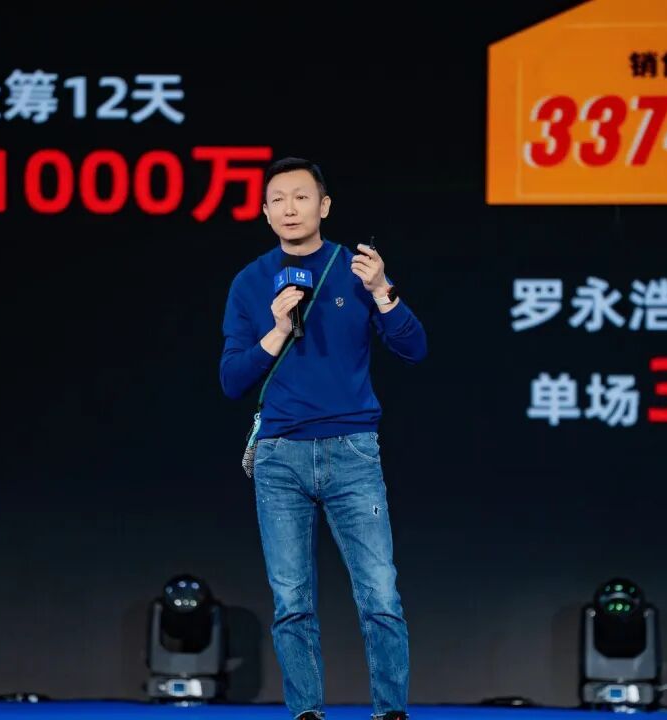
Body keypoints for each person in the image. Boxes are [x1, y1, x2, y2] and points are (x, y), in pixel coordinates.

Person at [219, 157, 427, 720]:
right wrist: (276, 331)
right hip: (280, 456)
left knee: (380, 593)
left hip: (352, 450)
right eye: (278, 200)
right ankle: (307, 712)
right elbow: (232, 379)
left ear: (324, 206)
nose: (290, 209)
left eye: (301, 197)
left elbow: (414, 349)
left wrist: (382, 290)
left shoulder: (356, 271)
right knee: (291, 599)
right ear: (265, 213)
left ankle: (390, 712)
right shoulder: (250, 282)